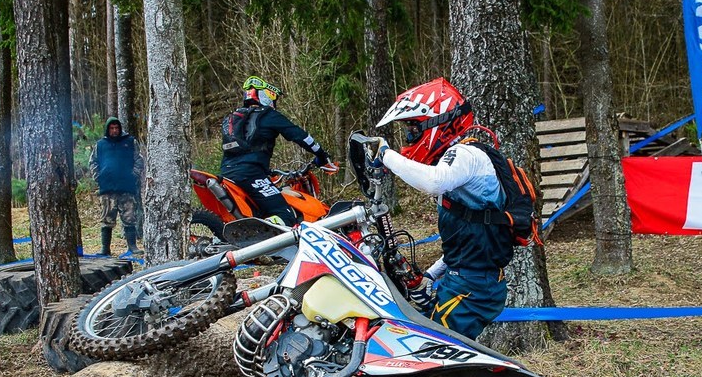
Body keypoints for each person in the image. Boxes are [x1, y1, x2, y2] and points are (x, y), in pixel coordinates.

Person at [370, 77, 513, 340]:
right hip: (464, 279)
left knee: (434, 349)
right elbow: (469, 240)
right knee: (427, 337)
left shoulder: (466, 155)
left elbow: (433, 182)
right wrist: (430, 274)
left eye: (414, 130)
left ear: (439, 124)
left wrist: (386, 155)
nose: (410, 137)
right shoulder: (457, 168)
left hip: (474, 287)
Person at [219, 76, 338, 226]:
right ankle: (263, 233)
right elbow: (300, 136)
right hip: (250, 174)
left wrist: (267, 172)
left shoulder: (232, 119)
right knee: (285, 214)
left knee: (261, 210)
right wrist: (321, 155)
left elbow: (242, 152)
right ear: (267, 95)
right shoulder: (268, 115)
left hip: (227, 174)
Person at [89, 117, 144, 256]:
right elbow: (93, 162)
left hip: (126, 188)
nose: (114, 131)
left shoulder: (130, 142)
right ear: (108, 129)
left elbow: (139, 160)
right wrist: (98, 177)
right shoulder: (100, 145)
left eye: (116, 128)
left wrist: (134, 175)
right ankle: (105, 249)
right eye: (112, 128)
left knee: (129, 218)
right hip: (107, 189)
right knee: (107, 219)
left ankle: (132, 247)